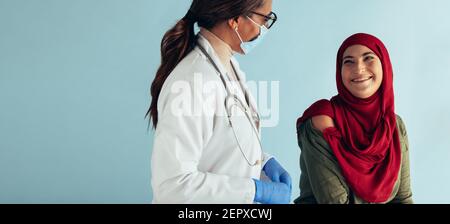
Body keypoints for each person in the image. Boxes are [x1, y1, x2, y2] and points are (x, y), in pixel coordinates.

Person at [146, 0, 292, 204]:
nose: (265, 28)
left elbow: (222, 141)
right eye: (265, 19)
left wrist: (263, 163)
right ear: (235, 20)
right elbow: (173, 186)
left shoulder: (227, 65)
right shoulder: (192, 80)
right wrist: (254, 190)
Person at [294, 33, 413, 204]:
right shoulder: (322, 119)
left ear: (384, 66)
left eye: (368, 58)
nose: (359, 69)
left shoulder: (394, 125)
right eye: (348, 61)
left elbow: (403, 199)